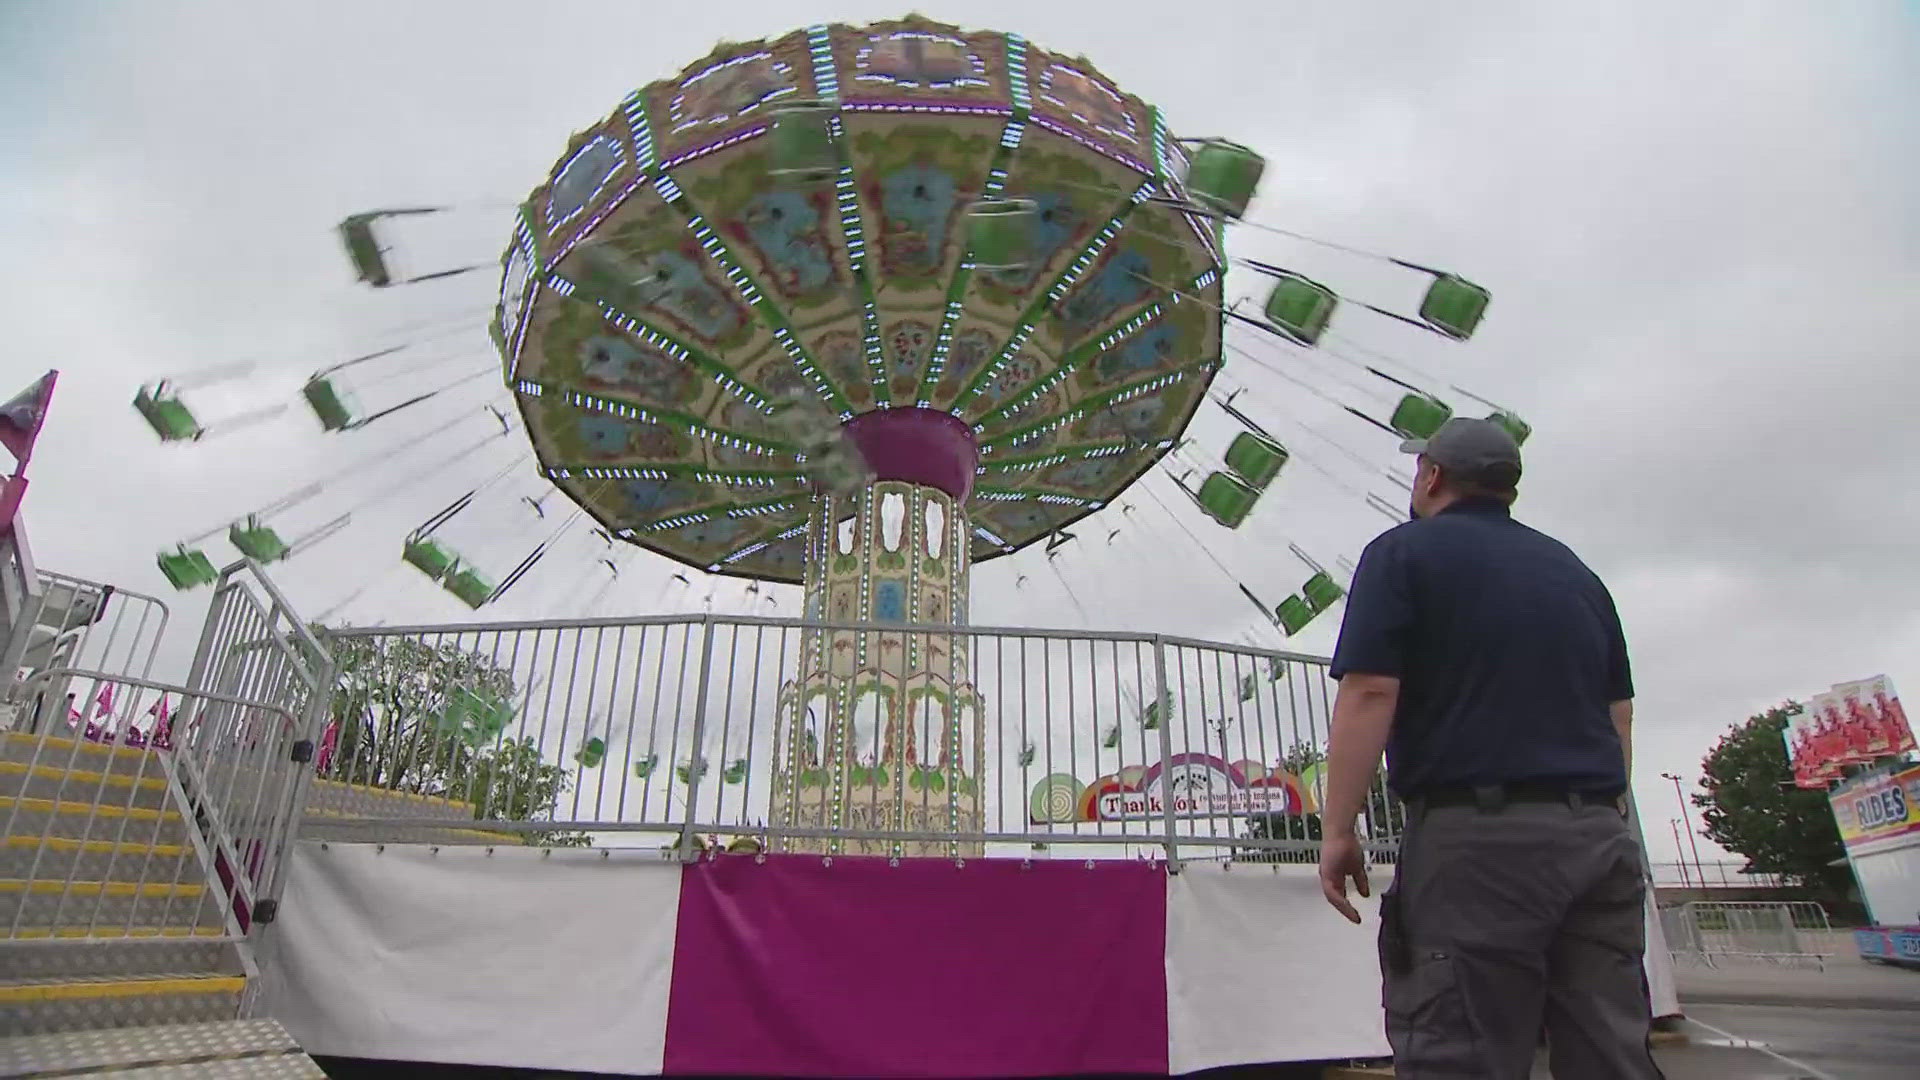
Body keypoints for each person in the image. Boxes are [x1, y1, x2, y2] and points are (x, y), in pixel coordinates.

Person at [1314, 417, 1663, 1079]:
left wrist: (1338, 828)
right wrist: (1606, 812)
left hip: (1478, 841)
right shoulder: (1576, 572)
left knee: (1463, 1045)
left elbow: (1369, 693)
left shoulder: (1402, 553)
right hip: (1595, 835)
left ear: (1433, 475)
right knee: (1609, 1046)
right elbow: (1619, 712)